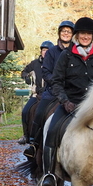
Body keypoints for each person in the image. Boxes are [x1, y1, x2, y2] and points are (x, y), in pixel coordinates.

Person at [41, 17, 93, 186]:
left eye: (89, 33)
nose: (85, 36)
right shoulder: (66, 56)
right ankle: (49, 175)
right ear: (77, 35)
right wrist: (65, 100)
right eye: (82, 33)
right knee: (52, 130)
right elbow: (57, 81)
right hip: (70, 104)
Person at [23, 20, 74, 159]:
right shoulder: (51, 52)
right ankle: (33, 143)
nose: (66, 33)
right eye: (63, 31)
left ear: (72, 34)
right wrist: (57, 83)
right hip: (53, 91)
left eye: (69, 31)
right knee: (39, 111)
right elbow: (46, 72)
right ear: (59, 33)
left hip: (72, 92)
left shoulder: (77, 50)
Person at [18, 41, 53, 144]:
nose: (45, 52)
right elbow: (24, 72)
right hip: (36, 94)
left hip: (50, 94)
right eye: (43, 50)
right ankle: (26, 135)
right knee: (25, 112)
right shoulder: (35, 63)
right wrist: (26, 77)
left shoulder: (54, 64)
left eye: (47, 51)